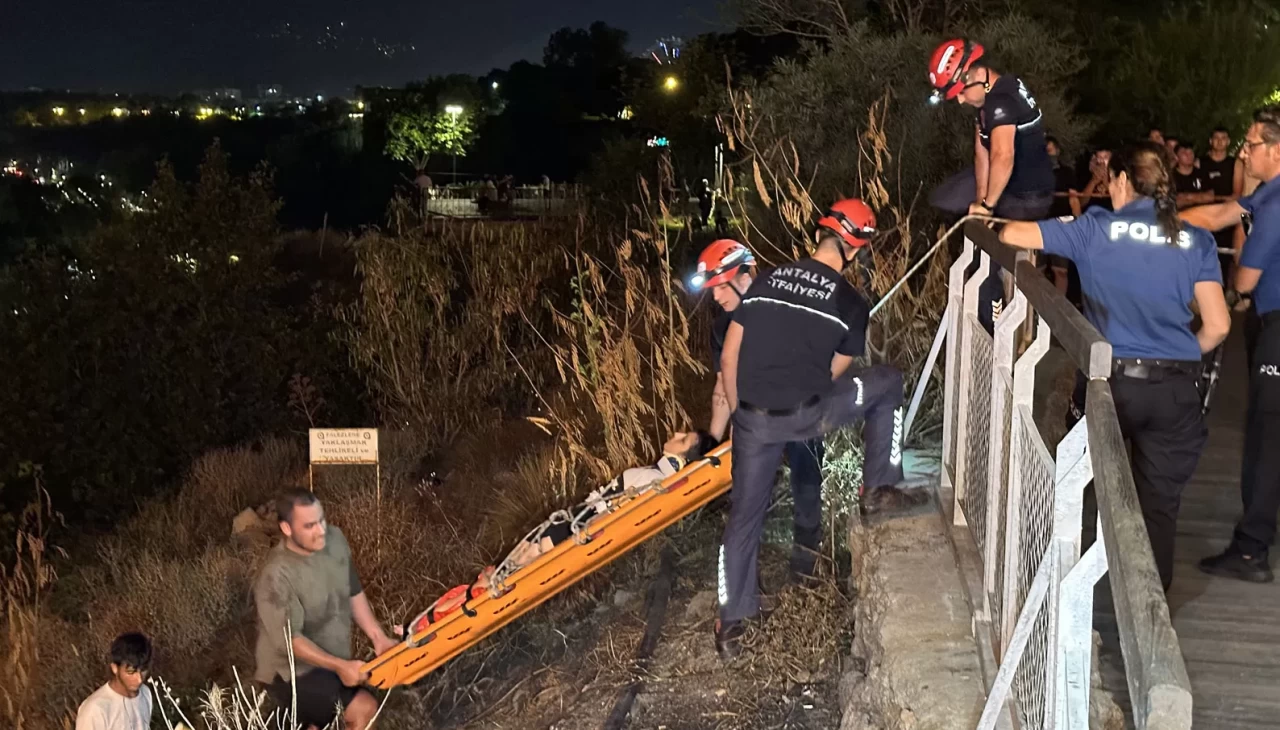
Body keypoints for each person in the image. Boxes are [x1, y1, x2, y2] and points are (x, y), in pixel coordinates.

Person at [999, 142, 1230, 591]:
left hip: (1110, 385)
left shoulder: (1095, 228)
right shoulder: (1194, 238)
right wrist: (1184, 352)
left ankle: (1055, 591)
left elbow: (1011, 234)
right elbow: (1218, 325)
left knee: (1074, 484)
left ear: (1123, 180)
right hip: (1174, 390)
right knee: (1158, 510)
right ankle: (1150, 609)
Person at [715, 198, 921, 659]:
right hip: (807, 413)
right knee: (888, 382)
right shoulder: (851, 304)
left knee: (743, 519)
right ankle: (878, 487)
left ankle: (731, 626)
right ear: (857, 250)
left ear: (819, 235)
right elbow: (831, 374)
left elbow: (729, 357)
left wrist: (741, 416)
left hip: (752, 421)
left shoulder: (765, 281)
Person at [409, 431, 720, 632]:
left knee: (501, 577)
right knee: (502, 572)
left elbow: (616, 512)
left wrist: (583, 533)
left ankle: (432, 622)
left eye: (682, 439)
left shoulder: (654, 481)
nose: (675, 434)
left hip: (576, 525)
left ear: (682, 458)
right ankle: (430, 619)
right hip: (574, 521)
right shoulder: (655, 475)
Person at [1182, 106, 1280, 583]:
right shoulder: (1264, 195)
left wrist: (1223, 295)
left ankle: (1251, 551)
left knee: (1266, 437)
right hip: (1270, 320)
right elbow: (1221, 213)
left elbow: (1244, 279)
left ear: (1276, 150)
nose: (1244, 152)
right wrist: (1161, 220)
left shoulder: (1276, 203)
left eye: (1252, 144)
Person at [690, 239, 826, 582]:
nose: (716, 297)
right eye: (712, 290)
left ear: (744, 276)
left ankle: (807, 560)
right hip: (754, 420)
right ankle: (744, 583)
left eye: (721, 287)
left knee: (806, 480)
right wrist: (712, 444)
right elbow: (723, 389)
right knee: (746, 499)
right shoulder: (721, 330)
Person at [927, 38, 1055, 332]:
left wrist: (988, 206)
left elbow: (1003, 156)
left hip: (1027, 196)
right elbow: (982, 153)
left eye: (960, 93)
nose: (960, 101)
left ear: (974, 75)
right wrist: (981, 203)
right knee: (948, 199)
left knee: (988, 263)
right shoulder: (988, 96)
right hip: (1008, 188)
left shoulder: (1002, 101)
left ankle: (997, 327)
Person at [254, 490, 399, 730]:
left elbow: (352, 591)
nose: (320, 531)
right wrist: (339, 666)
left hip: (326, 656)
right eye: (309, 526)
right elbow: (291, 641)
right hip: (287, 669)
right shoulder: (276, 575)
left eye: (320, 520)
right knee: (363, 708)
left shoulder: (334, 541)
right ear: (287, 529)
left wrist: (378, 637)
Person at [75, 633, 153, 730]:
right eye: (130, 672)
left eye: (143, 670)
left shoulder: (145, 694)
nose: (139, 679)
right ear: (115, 668)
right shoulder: (95, 710)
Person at [1201, 127, 1245, 279]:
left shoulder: (1235, 163)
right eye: (1216, 138)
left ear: (1228, 141)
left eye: (1223, 138)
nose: (1220, 142)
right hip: (1204, 215)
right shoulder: (1200, 162)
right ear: (1210, 141)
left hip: (1227, 214)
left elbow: (1237, 194)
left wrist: (1212, 198)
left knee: (1228, 257)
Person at [1045, 136, 1075, 294]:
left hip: (1061, 225)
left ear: (1058, 151)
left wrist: (1079, 222)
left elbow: (1074, 198)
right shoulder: (1034, 173)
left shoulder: (1066, 172)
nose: (1048, 154)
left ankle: (1058, 304)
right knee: (1035, 269)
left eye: (1050, 150)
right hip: (1039, 223)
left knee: (1061, 271)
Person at [1173, 143, 1213, 209]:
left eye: (1191, 153)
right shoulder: (1170, 176)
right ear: (1176, 157)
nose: (1188, 156)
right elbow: (1175, 202)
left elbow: (1210, 197)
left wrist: (1187, 197)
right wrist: (1199, 197)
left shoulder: (1202, 173)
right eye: (1184, 153)